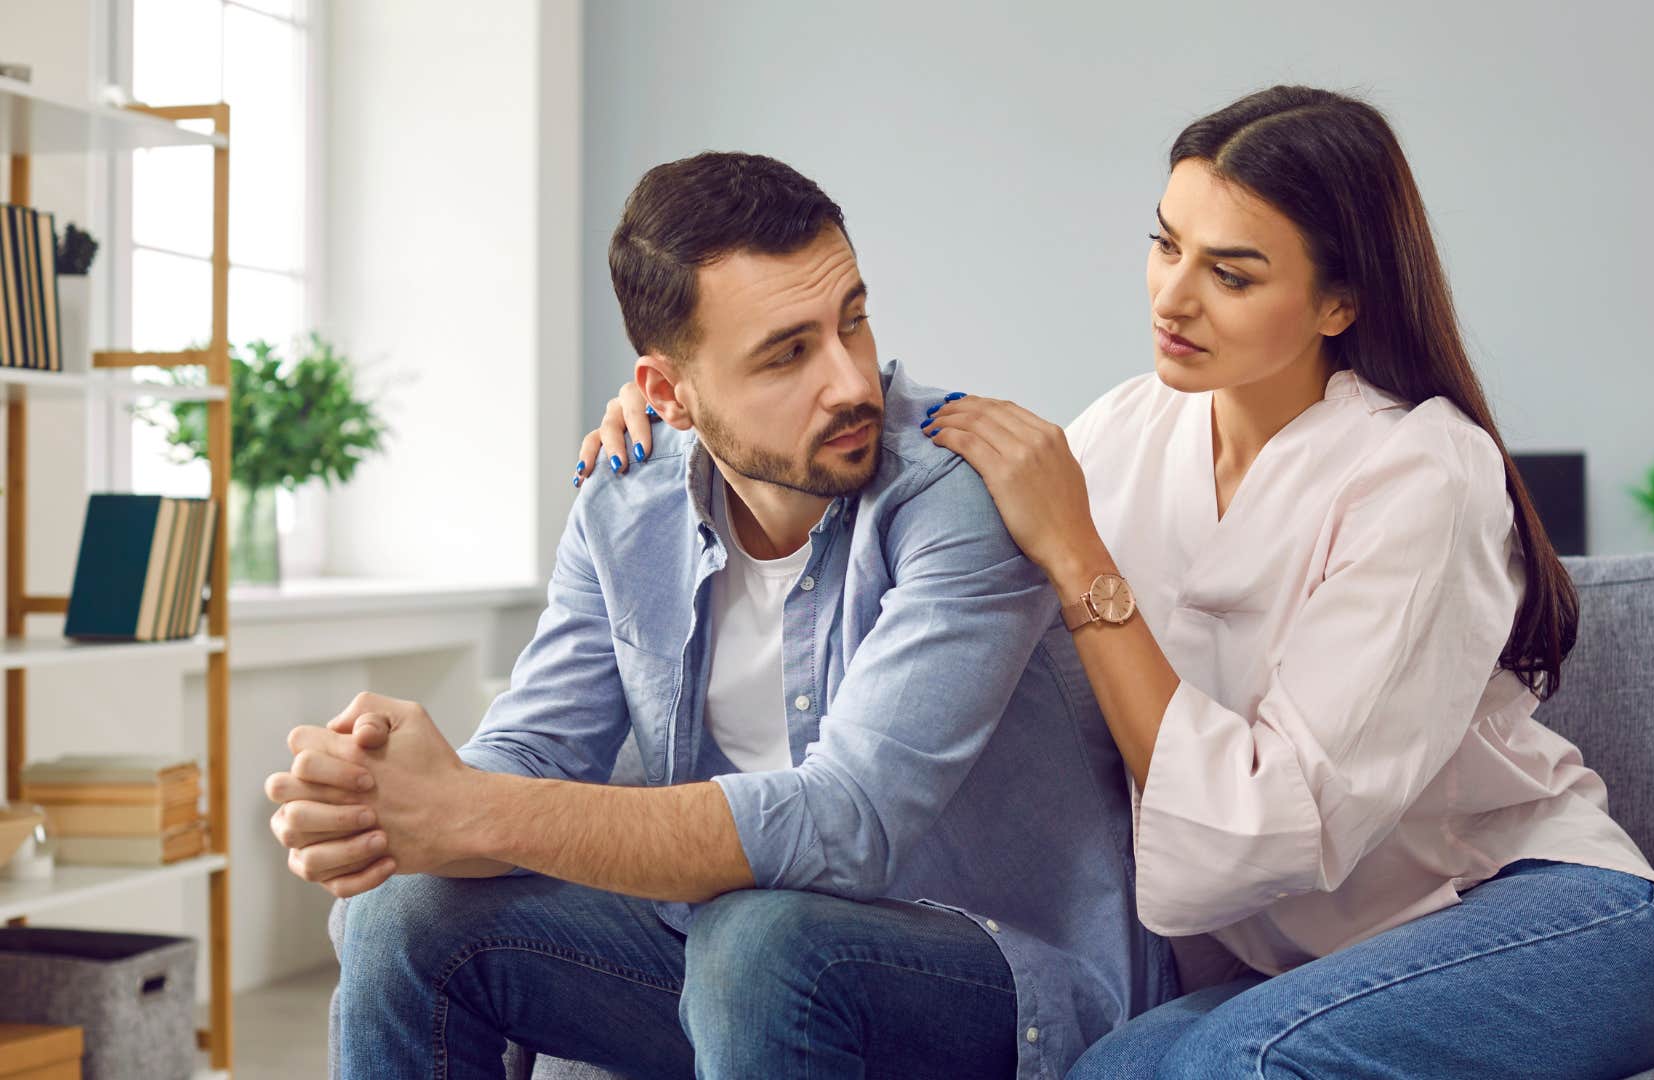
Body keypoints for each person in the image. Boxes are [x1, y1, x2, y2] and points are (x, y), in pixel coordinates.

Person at [580, 86, 1654, 1079]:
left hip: (1533, 913)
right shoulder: (1127, 429)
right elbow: (894, 456)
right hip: (1278, 970)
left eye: (1232, 272)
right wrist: (686, 429)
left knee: (1225, 1066)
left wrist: (1082, 561)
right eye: (1166, 246)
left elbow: (1259, 830)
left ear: (1339, 303)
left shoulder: (1424, 474)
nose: (1175, 297)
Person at [265, 152, 1172, 1079]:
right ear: (668, 394)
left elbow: (848, 823)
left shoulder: (958, 496)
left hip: (994, 977)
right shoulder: (624, 503)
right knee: (403, 913)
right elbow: (536, 752)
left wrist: (472, 811)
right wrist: (390, 804)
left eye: (851, 321)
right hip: (738, 971)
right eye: (788, 352)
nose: (852, 381)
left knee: (761, 937)